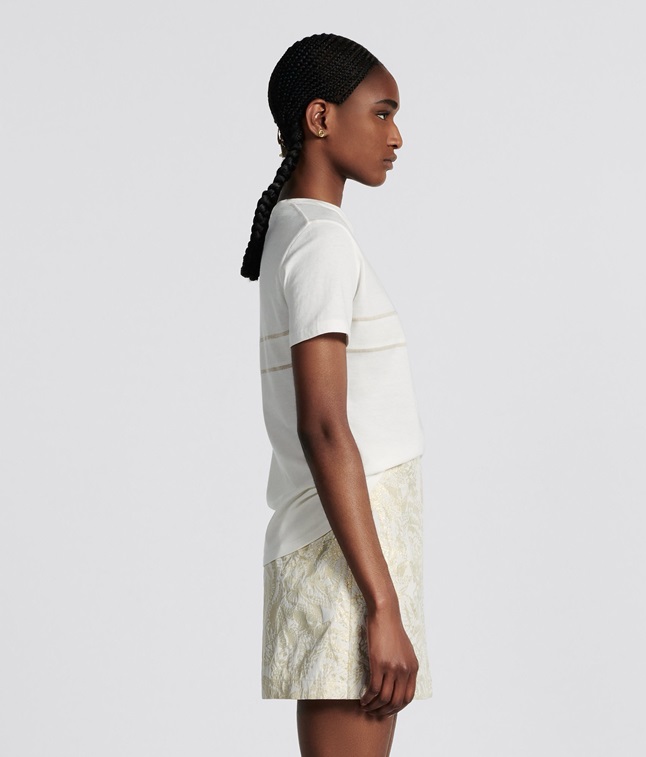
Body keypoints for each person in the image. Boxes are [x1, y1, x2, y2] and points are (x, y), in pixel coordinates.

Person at [241, 33, 432, 757]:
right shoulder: (321, 242)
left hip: (348, 553)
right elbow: (323, 426)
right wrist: (381, 604)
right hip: (346, 562)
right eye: (382, 113)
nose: (396, 136)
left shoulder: (301, 233)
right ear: (320, 117)